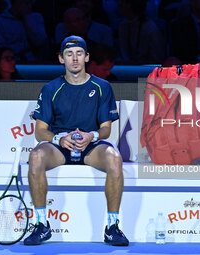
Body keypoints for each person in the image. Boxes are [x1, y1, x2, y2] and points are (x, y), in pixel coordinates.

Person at [23, 35, 129, 246]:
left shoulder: (102, 87)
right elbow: (40, 132)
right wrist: (60, 139)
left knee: (115, 158)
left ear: (87, 57)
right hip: (60, 146)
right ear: (61, 59)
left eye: (79, 54)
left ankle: (112, 227)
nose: (74, 59)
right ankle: (42, 225)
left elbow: (106, 128)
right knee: (35, 156)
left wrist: (92, 136)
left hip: (91, 146)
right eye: (69, 54)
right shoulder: (51, 89)